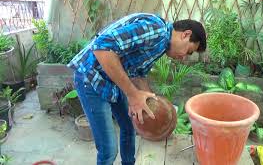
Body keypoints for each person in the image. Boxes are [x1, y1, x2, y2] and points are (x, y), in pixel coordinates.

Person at [67, 13, 206, 165]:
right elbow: (101, 47)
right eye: (189, 51)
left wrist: (148, 101)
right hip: (91, 78)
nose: (184, 57)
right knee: (109, 150)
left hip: (113, 78)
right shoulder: (155, 30)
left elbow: (138, 73)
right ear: (186, 35)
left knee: (129, 128)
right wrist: (133, 95)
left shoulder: (162, 45)